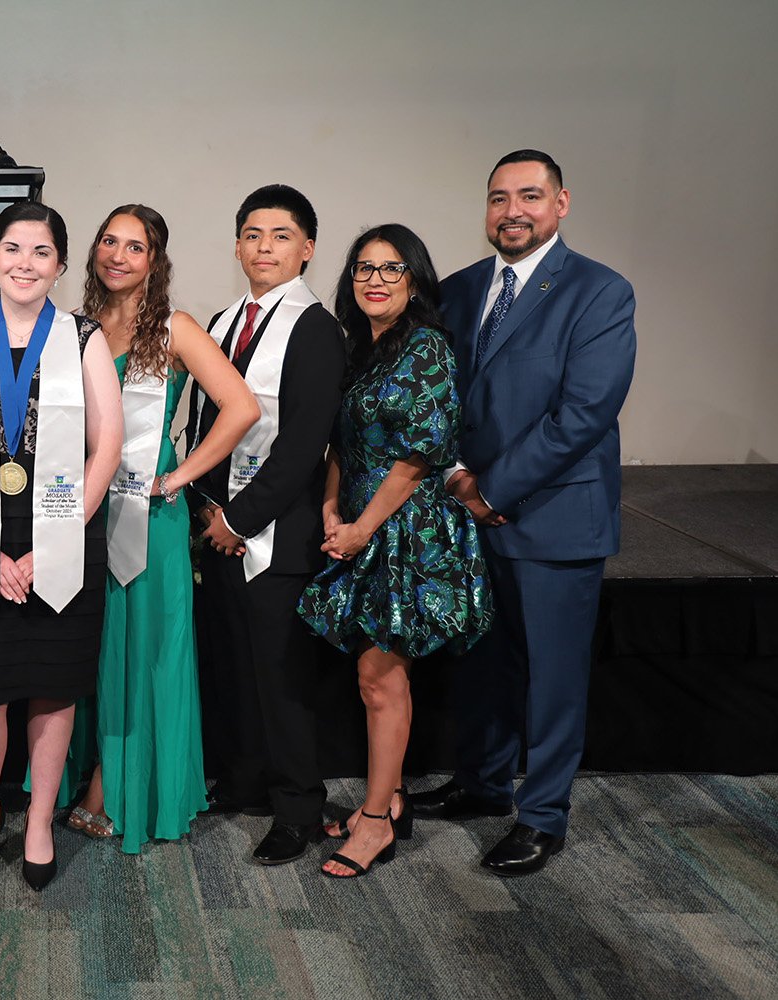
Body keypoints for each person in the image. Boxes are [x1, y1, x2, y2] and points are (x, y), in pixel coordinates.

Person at [414, 150, 636, 877]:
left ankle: (542, 816)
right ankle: (482, 784)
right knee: (482, 665)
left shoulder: (600, 293)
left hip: (553, 520)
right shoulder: (458, 290)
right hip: (469, 514)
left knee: (552, 678)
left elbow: (582, 415)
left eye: (531, 196)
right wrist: (454, 478)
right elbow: (436, 395)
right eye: (499, 197)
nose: (513, 210)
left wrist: (492, 488)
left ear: (562, 203)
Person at [0, 201, 123, 890]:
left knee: (51, 691)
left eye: (41, 252)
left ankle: (39, 819)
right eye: (12, 248)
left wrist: (57, 544)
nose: (25, 263)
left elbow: (108, 448)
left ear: (61, 265)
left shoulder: (83, 336)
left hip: (65, 539)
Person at [295, 224, 494, 878]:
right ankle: (393, 800)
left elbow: (416, 458)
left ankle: (377, 822)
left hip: (407, 532)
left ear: (414, 281)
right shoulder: (360, 346)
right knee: (372, 678)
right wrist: (331, 505)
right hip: (362, 526)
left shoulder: (426, 348)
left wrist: (359, 527)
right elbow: (340, 444)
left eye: (391, 268)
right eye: (364, 268)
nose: (375, 279)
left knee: (382, 682)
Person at [66, 205, 257, 853]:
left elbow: (243, 407)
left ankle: (119, 786)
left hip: (150, 519)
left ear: (156, 260)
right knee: (97, 648)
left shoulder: (173, 329)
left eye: (135, 246)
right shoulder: (81, 329)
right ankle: (101, 768)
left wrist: (177, 478)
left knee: (144, 649)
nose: (119, 255)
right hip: (91, 513)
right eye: (109, 241)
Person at [186, 184, 346, 866]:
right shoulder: (223, 321)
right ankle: (247, 779)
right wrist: (201, 505)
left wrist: (240, 520)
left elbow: (306, 443)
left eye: (280, 235)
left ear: (307, 249)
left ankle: (299, 808)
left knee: (281, 680)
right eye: (252, 234)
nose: (264, 247)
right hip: (217, 527)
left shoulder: (316, 329)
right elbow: (201, 424)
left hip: (274, 537)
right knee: (234, 668)